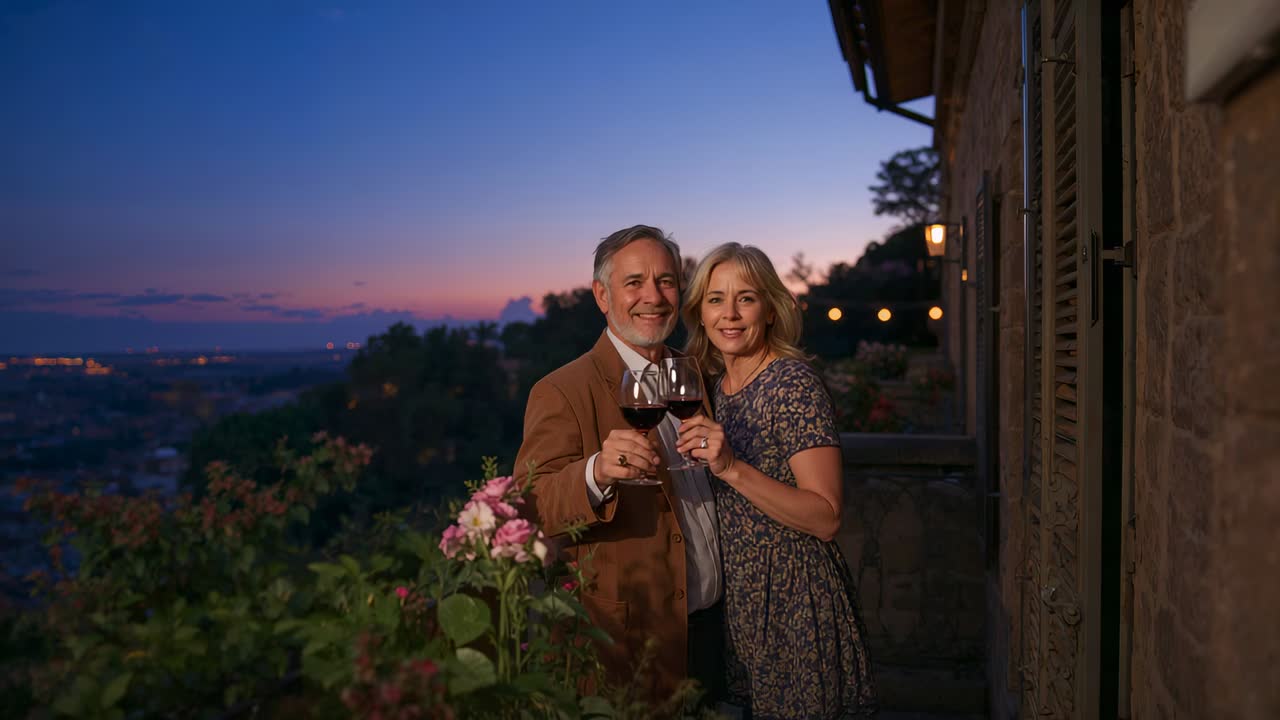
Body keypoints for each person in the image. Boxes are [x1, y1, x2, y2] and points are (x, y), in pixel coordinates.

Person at [514, 225, 724, 704]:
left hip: (712, 632)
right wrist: (595, 473)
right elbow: (532, 504)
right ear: (602, 295)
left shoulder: (694, 374)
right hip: (629, 644)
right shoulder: (561, 390)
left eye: (666, 281)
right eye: (634, 283)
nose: (653, 296)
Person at [676, 242, 877, 719]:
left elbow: (826, 517)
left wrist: (731, 469)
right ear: (700, 313)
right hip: (742, 607)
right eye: (715, 298)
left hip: (795, 602)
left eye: (745, 298)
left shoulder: (792, 384)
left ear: (769, 309)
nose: (730, 313)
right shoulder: (715, 388)